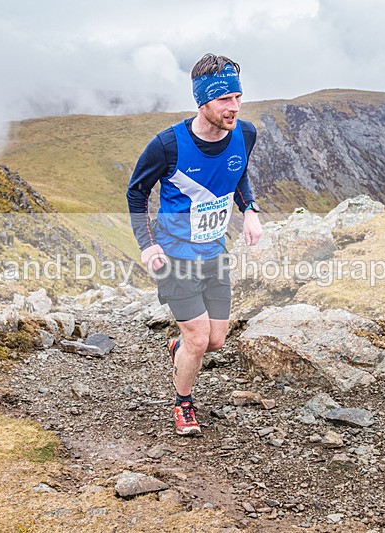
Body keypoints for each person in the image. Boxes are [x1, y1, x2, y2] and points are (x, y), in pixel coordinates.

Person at [126, 53, 263, 436]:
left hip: (215, 254)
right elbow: (136, 194)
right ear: (202, 101)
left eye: (238, 97)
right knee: (199, 338)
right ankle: (183, 404)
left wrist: (249, 209)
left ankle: (181, 350)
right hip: (175, 257)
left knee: (215, 341)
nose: (234, 107)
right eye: (224, 100)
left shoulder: (245, 134)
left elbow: (238, 173)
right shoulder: (167, 145)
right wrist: (147, 245)